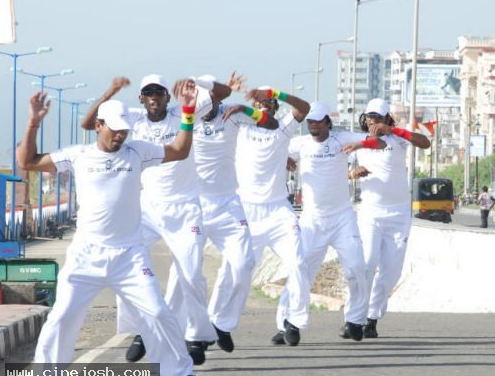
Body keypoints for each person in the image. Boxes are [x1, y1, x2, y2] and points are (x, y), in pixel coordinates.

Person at [16, 87, 201, 376]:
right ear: (99, 125)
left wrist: (188, 114)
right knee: (62, 314)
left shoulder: (139, 151)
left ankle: (180, 375)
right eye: (114, 129)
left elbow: (179, 151)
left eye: (124, 130)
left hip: (129, 256)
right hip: (86, 255)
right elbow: (29, 162)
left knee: (157, 312)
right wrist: (33, 123)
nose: (120, 135)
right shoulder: (78, 155)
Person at [82, 75, 224, 366]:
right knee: (125, 263)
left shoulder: (185, 111)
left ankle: (196, 336)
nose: (154, 97)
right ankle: (142, 332)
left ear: (167, 97)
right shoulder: (132, 119)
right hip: (147, 208)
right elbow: (89, 124)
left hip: (185, 209)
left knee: (190, 272)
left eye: (159, 92)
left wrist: (197, 84)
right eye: (148, 93)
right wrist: (110, 92)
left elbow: (223, 92)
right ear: (141, 99)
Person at [163, 73, 281, 354]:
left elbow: (272, 123)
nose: (203, 102)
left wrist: (246, 108)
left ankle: (222, 324)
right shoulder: (183, 119)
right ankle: (174, 332)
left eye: (208, 96)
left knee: (243, 263)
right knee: (183, 271)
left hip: (228, 204)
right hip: (194, 204)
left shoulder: (233, 115)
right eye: (198, 99)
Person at [283, 101, 386, 341]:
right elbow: (275, 150)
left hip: (342, 218)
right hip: (312, 219)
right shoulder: (300, 143)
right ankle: (292, 322)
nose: (314, 126)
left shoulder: (341, 139)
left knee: (356, 269)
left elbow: (379, 143)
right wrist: (284, 159)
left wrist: (360, 144)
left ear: (328, 122)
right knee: (302, 271)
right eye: (311, 122)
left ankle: (354, 321)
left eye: (319, 122)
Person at [227, 85, 310, 346]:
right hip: (247, 211)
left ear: (275, 107)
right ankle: (222, 325)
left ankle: (293, 321)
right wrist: (235, 96)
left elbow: (303, 109)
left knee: (298, 264)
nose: (264, 106)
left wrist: (277, 93)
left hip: (278, 211)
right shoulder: (242, 125)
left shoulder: (283, 126)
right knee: (238, 270)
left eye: (268, 103)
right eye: (259, 103)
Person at [348, 98, 430, 338]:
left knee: (390, 271)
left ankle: (371, 319)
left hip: (398, 214)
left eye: (377, 116)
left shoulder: (398, 139)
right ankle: (354, 317)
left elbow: (425, 143)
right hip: (370, 212)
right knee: (366, 263)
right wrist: (352, 173)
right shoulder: (359, 142)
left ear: (386, 119)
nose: (372, 120)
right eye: (369, 116)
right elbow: (338, 169)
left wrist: (393, 131)